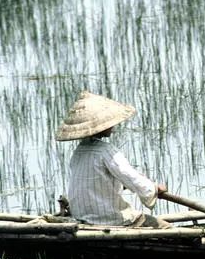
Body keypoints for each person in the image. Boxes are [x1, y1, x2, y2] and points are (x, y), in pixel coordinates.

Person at [55, 91, 171, 228]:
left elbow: (95, 179)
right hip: (108, 219)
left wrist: (120, 184)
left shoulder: (78, 151)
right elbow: (130, 176)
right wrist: (154, 188)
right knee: (165, 227)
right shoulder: (106, 151)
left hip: (81, 216)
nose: (113, 126)